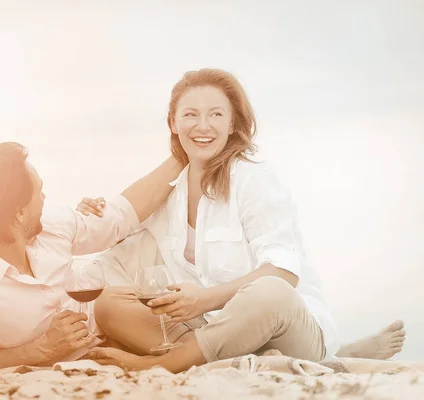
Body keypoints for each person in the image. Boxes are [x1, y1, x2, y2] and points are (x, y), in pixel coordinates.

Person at [74, 68, 406, 373]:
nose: (202, 126)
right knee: (109, 303)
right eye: (190, 114)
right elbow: (121, 236)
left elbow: (283, 272)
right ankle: (309, 360)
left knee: (270, 291)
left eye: (215, 114)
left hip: (281, 326)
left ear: (233, 124)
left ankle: (167, 362)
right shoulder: (168, 193)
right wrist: (93, 212)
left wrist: (204, 299)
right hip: (210, 331)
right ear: (173, 123)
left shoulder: (253, 180)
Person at [0, 142, 185, 372]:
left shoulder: (54, 228)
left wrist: (181, 154)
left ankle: (200, 344)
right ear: (18, 215)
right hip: (96, 362)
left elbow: (121, 216)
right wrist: (41, 348)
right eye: (39, 191)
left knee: (110, 302)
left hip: (120, 331)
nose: (44, 198)